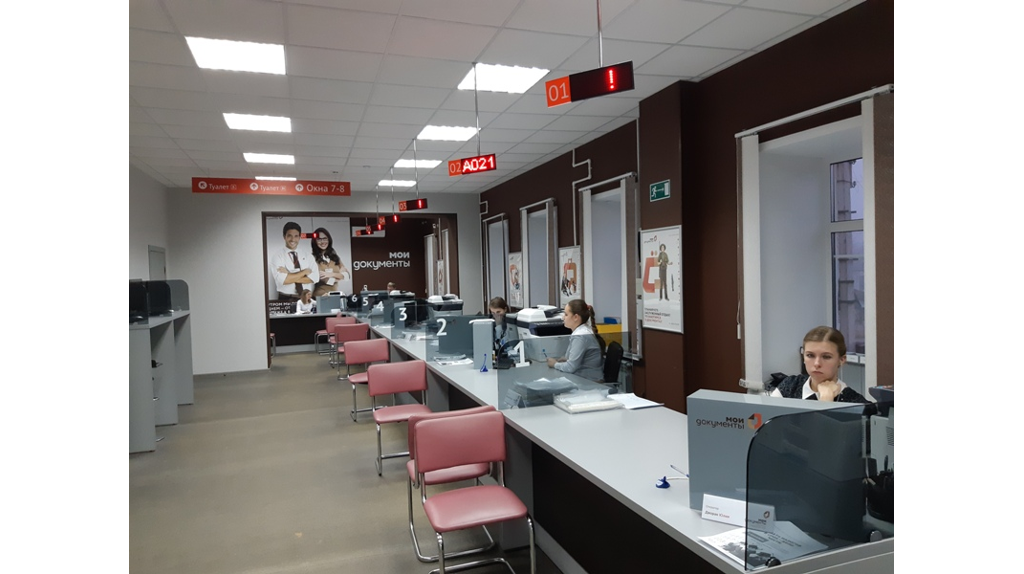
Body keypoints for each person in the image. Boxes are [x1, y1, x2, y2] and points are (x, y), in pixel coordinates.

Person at [767, 326, 868, 403]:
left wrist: (826, 401)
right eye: (810, 355)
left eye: (826, 357)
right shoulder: (790, 386)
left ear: (841, 360)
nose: (817, 364)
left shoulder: (856, 403)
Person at [547, 299, 604, 381]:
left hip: (589, 382)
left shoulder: (580, 336)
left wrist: (554, 364)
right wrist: (566, 360)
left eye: (566, 314)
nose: (563, 318)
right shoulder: (582, 331)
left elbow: (570, 367)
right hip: (583, 378)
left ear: (576, 317)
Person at [271, 221, 319, 300]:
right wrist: (304, 272)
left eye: (296, 236)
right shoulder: (277, 256)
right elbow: (283, 280)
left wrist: (289, 274)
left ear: (299, 237)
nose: (293, 239)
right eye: (289, 236)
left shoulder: (308, 256)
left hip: (306, 298)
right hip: (286, 298)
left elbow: (315, 278)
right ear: (284, 237)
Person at [310, 227, 349, 298]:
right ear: (315, 241)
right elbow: (328, 281)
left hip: (334, 295)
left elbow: (347, 276)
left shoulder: (334, 257)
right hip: (320, 296)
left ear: (329, 239)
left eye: (325, 238)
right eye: (319, 239)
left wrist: (330, 274)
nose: (322, 242)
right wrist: (339, 276)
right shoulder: (312, 258)